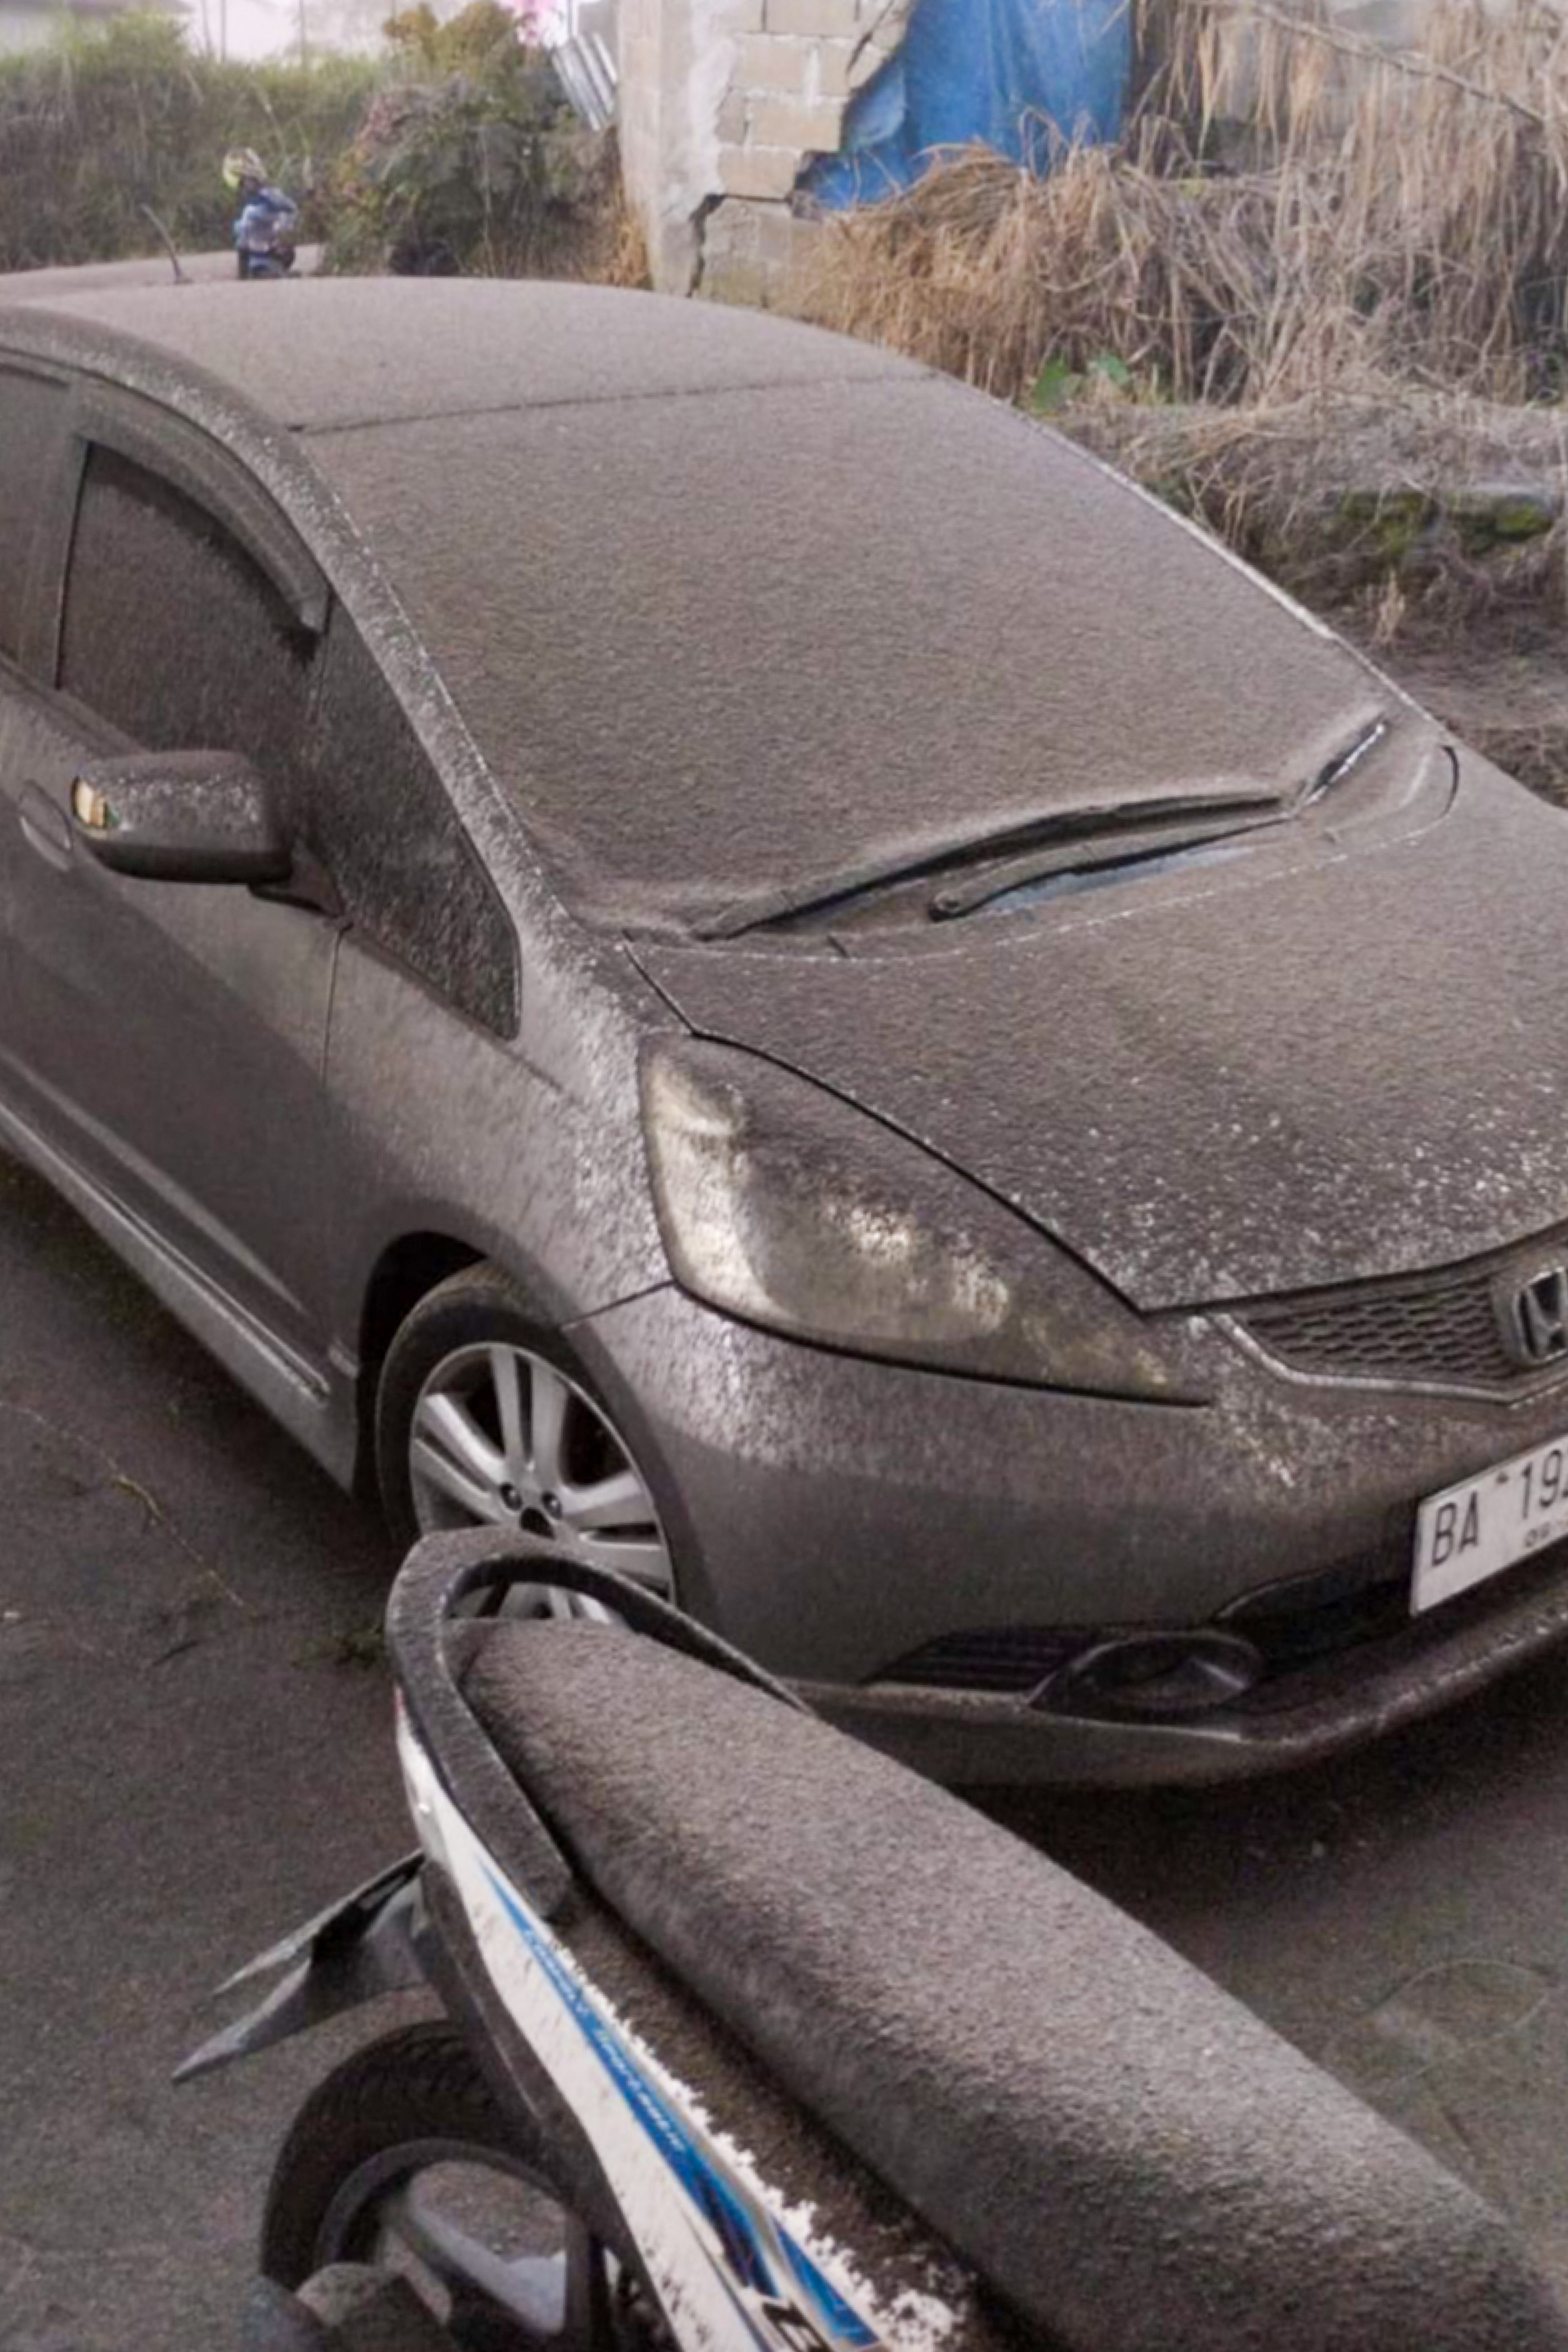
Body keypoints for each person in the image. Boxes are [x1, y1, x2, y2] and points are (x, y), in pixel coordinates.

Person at [222, 147, 299, 279]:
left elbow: (290, 210)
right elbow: (243, 245)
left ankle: (271, 264)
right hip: (260, 260)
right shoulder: (254, 207)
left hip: (267, 256)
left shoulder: (268, 199)